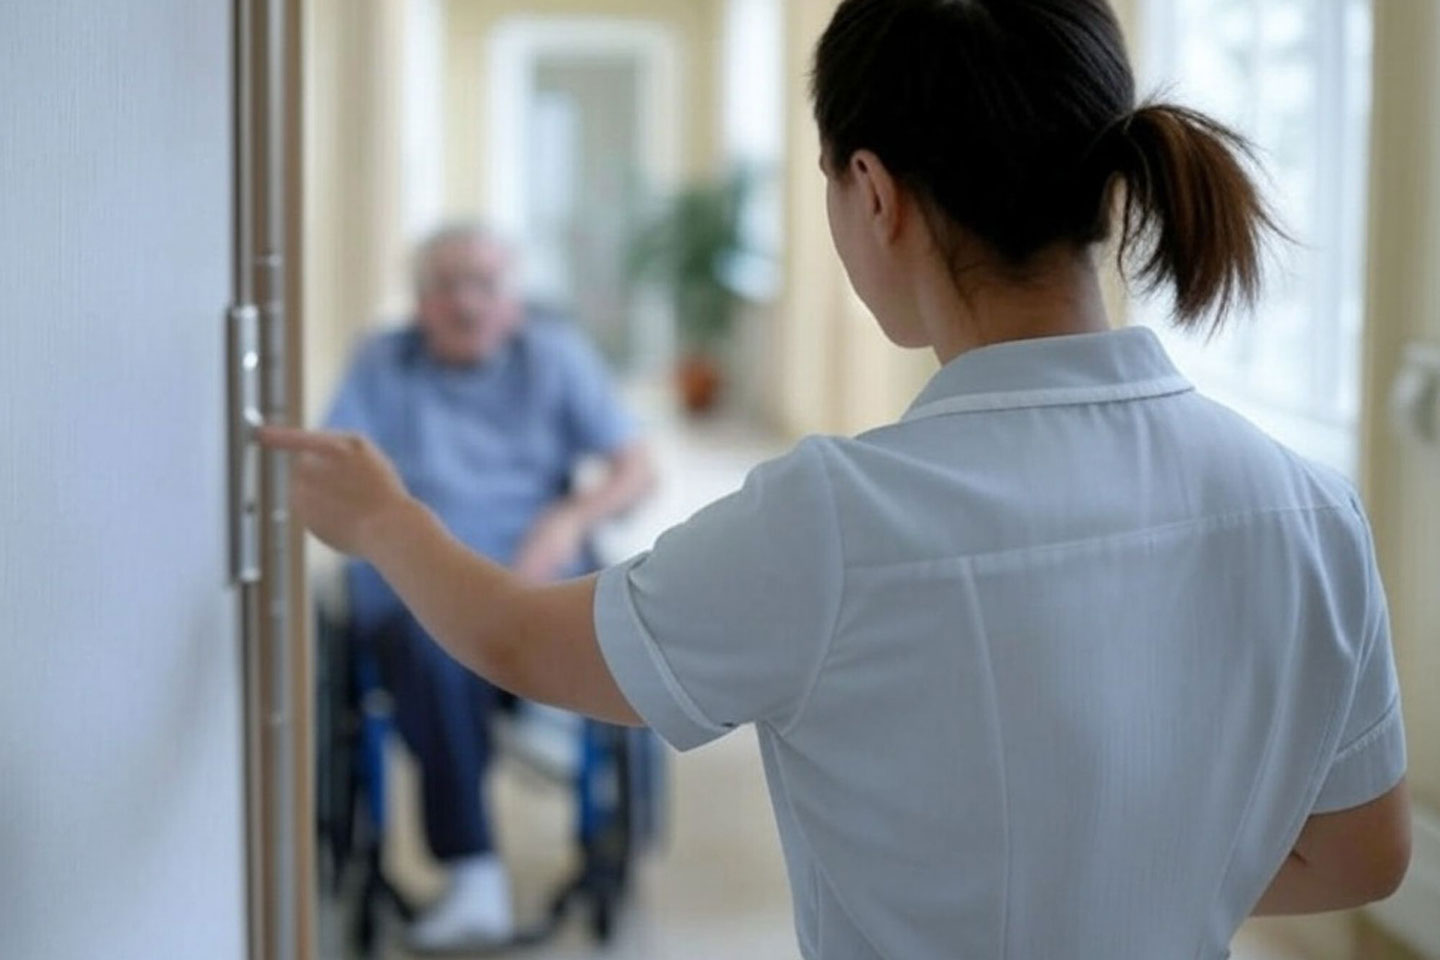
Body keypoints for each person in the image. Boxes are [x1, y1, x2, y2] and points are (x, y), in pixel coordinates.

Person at [267, 2, 1411, 956]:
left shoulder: (838, 520)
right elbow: (1365, 852)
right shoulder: (1312, 507)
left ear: (874, 192)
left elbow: (523, 645)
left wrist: (384, 517)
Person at [323, 222, 655, 951]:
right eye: (445, 286)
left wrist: (568, 520)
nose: (466, 303)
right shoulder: (382, 365)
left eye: (484, 285)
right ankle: (473, 869)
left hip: (533, 581)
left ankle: (533, 718)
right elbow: (333, 472)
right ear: (418, 302)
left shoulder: (553, 356)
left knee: (604, 614)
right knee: (437, 629)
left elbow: (637, 467)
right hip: (421, 589)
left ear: (515, 299)